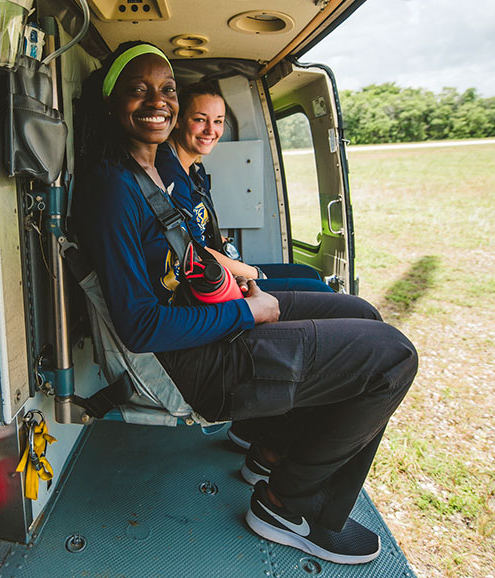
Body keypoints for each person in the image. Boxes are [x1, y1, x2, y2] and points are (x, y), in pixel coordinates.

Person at [73, 41, 417, 565]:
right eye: (137, 89)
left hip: (212, 320)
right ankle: (289, 504)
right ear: (110, 99)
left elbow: (185, 262)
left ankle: (273, 450)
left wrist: (236, 288)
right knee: (393, 356)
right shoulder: (112, 189)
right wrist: (246, 312)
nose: (157, 100)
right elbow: (141, 326)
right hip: (196, 363)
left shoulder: (157, 170)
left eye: (166, 88)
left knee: (364, 315)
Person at [154, 81, 332, 293]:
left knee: (309, 274)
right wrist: (256, 274)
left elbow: (199, 228)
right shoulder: (167, 169)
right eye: (200, 119)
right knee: (318, 290)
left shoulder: (195, 168)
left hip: (214, 263)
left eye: (218, 121)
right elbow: (195, 251)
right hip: (199, 279)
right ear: (178, 121)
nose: (211, 130)